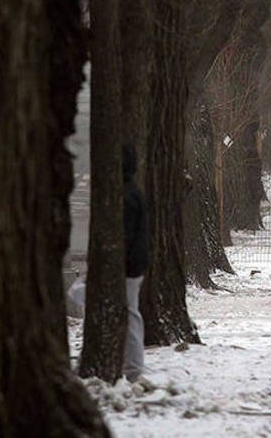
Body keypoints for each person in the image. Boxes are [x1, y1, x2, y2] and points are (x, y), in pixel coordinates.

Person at [123, 143, 149, 381]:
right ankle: (131, 364)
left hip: (129, 266)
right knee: (130, 312)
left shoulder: (126, 196)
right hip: (135, 263)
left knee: (130, 314)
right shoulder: (133, 192)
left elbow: (127, 234)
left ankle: (132, 365)